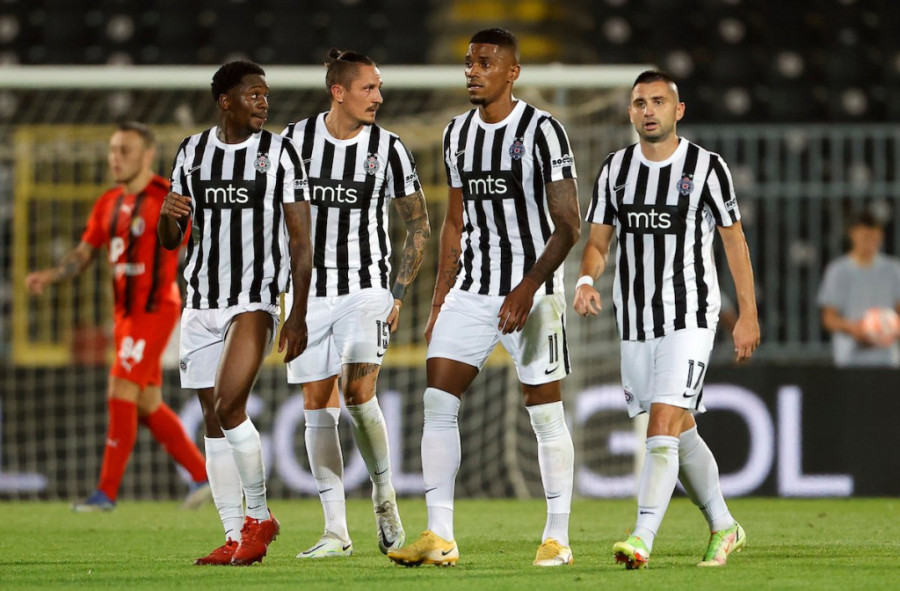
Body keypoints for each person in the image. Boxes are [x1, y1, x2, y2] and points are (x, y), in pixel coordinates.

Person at [388, 28, 581, 568]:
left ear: (512, 72)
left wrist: (528, 287)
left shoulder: (544, 131)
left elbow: (569, 224)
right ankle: (440, 535)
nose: (473, 71)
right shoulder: (456, 133)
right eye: (469, 62)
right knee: (437, 402)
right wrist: (438, 302)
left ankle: (557, 538)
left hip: (533, 292)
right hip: (472, 290)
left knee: (545, 413)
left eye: (486, 62)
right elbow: (454, 222)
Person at [573, 70, 760, 569]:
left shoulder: (706, 167)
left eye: (658, 101)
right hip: (636, 323)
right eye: (640, 103)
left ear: (678, 111)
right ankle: (724, 525)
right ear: (630, 112)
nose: (648, 110)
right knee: (681, 431)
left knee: (660, 429)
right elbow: (598, 242)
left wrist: (747, 314)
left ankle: (641, 538)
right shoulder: (615, 169)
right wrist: (586, 280)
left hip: (691, 317)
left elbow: (734, 242)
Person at [158, 60, 312, 566]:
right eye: (254, 94)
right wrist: (165, 217)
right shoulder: (192, 152)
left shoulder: (280, 153)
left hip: (255, 298)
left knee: (228, 406)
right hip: (201, 300)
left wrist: (297, 312)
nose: (264, 103)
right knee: (211, 419)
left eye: (266, 94)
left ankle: (260, 517)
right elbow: (171, 239)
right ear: (226, 101)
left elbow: (300, 241)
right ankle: (232, 534)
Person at [281, 49, 430, 559]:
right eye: (369, 88)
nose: (379, 97)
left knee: (358, 392)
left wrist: (398, 292)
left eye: (379, 87)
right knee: (315, 404)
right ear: (338, 92)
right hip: (307, 294)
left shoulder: (389, 149)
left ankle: (384, 494)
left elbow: (418, 225)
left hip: (366, 289)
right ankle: (336, 533)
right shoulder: (294, 142)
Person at [25, 122, 210, 513]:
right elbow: (84, 252)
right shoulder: (107, 202)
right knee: (146, 402)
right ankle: (200, 475)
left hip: (155, 310)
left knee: (120, 389)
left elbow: (190, 241)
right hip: (125, 316)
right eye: (112, 150)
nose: (115, 158)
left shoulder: (167, 198)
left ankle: (106, 494)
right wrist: (51, 275)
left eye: (125, 150)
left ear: (147, 155)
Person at [818, 211, 900, 367]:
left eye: (874, 237)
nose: (870, 242)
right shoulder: (838, 271)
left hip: (887, 360)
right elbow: (829, 318)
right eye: (865, 237)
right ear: (853, 234)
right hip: (849, 359)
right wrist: (853, 328)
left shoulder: (893, 270)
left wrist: (890, 328)